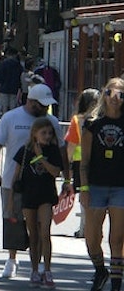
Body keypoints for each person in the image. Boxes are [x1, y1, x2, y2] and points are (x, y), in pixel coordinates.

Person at [0, 83, 68, 279]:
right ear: (30, 101)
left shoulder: (51, 122)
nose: (44, 109)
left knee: (41, 227)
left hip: (41, 183)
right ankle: (12, 259)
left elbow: (61, 150)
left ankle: (39, 264)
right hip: (14, 180)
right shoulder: (11, 117)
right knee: (13, 220)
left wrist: (67, 177)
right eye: (41, 104)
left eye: (46, 105)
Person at [7, 117, 62, 289]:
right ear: (34, 134)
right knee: (33, 235)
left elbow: (55, 172)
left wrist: (41, 158)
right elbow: (16, 177)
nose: (46, 136)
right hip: (29, 196)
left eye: (49, 133)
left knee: (45, 232)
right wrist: (10, 202)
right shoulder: (25, 151)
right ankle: (34, 270)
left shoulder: (52, 150)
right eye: (43, 133)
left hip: (46, 195)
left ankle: (47, 270)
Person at [81, 78, 124, 291]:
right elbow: (84, 159)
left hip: (120, 186)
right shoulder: (92, 122)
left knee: (117, 239)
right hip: (96, 185)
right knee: (92, 238)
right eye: (110, 93)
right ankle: (100, 270)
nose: (115, 99)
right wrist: (84, 187)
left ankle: (116, 284)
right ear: (104, 94)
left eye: (121, 95)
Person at [64, 88, 100, 239]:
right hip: (98, 162)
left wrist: (66, 167)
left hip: (80, 163)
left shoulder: (77, 120)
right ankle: (92, 228)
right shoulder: (101, 119)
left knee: (84, 198)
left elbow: (71, 146)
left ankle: (84, 228)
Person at [0, 47, 23, 116]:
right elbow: (20, 80)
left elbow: (0, 79)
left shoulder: (3, 64)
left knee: (4, 108)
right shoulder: (18, 65)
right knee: (13, 109)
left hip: (4, 89)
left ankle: (4, 122)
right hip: (14, 89)